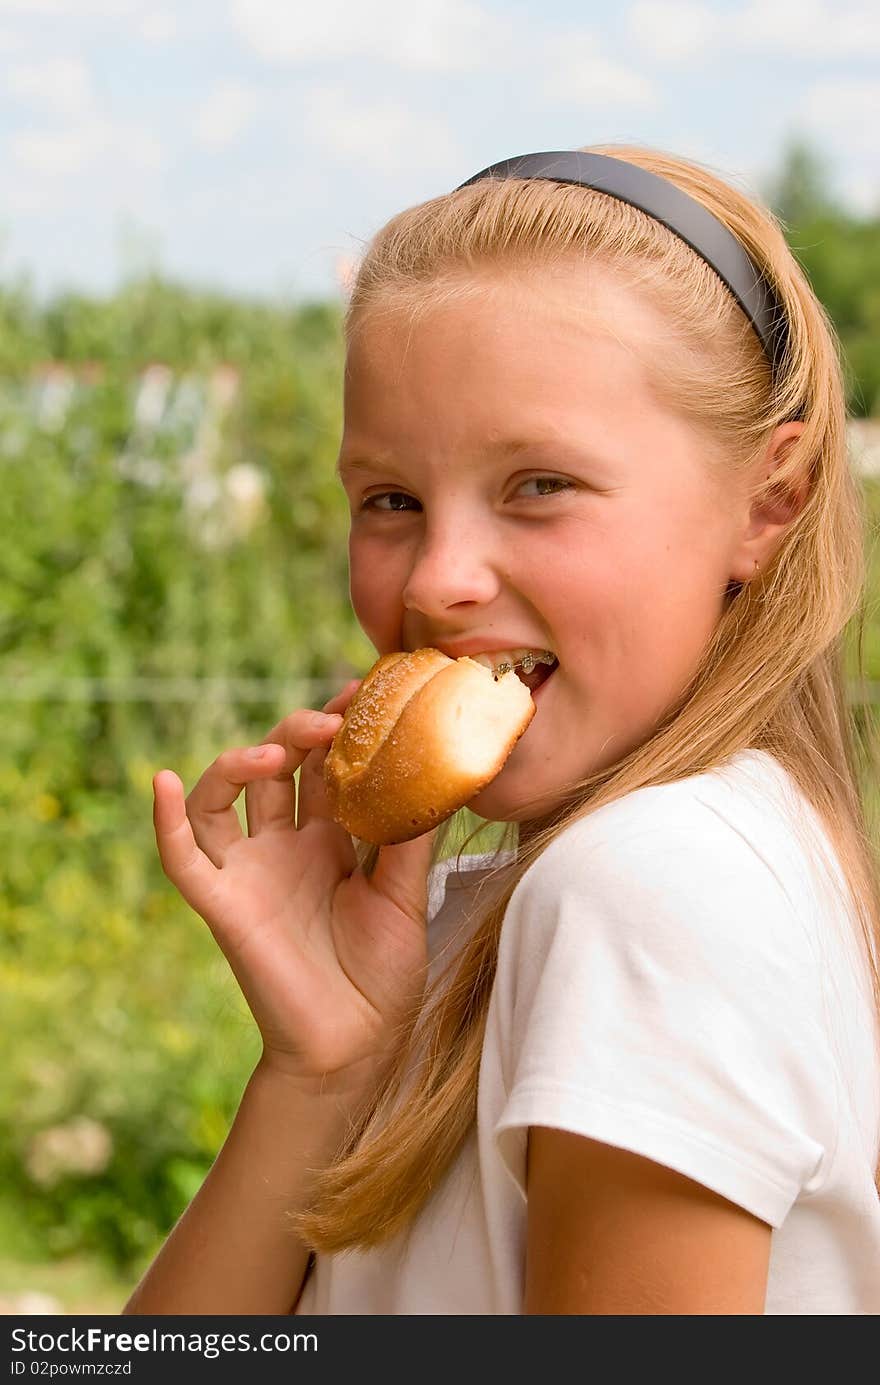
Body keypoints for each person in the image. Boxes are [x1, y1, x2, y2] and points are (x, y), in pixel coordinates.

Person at [123, 146, 880, 1316]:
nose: (437, 579)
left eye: (539, 484)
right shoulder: (548, 893)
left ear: (766, 502)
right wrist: (320, 1070)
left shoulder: (652, 883)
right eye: (390, 499)